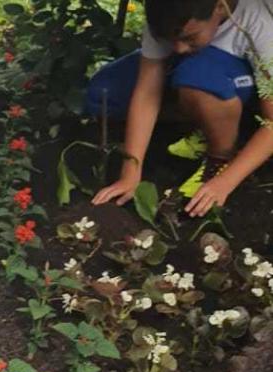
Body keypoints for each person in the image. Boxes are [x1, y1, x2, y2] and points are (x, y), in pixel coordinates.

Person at [89, 0, 273, 217]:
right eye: (169, 39)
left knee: (199, 78)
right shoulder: (166, 12)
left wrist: (225, 181)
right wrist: (130, 172)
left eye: (189, 37)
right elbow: (147, 91)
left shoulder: (258, 22)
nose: (178, 48)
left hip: (231, 77)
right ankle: (203, 120)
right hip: (192, 69)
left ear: (220, 7)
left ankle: (222, 154)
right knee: (104, 93)